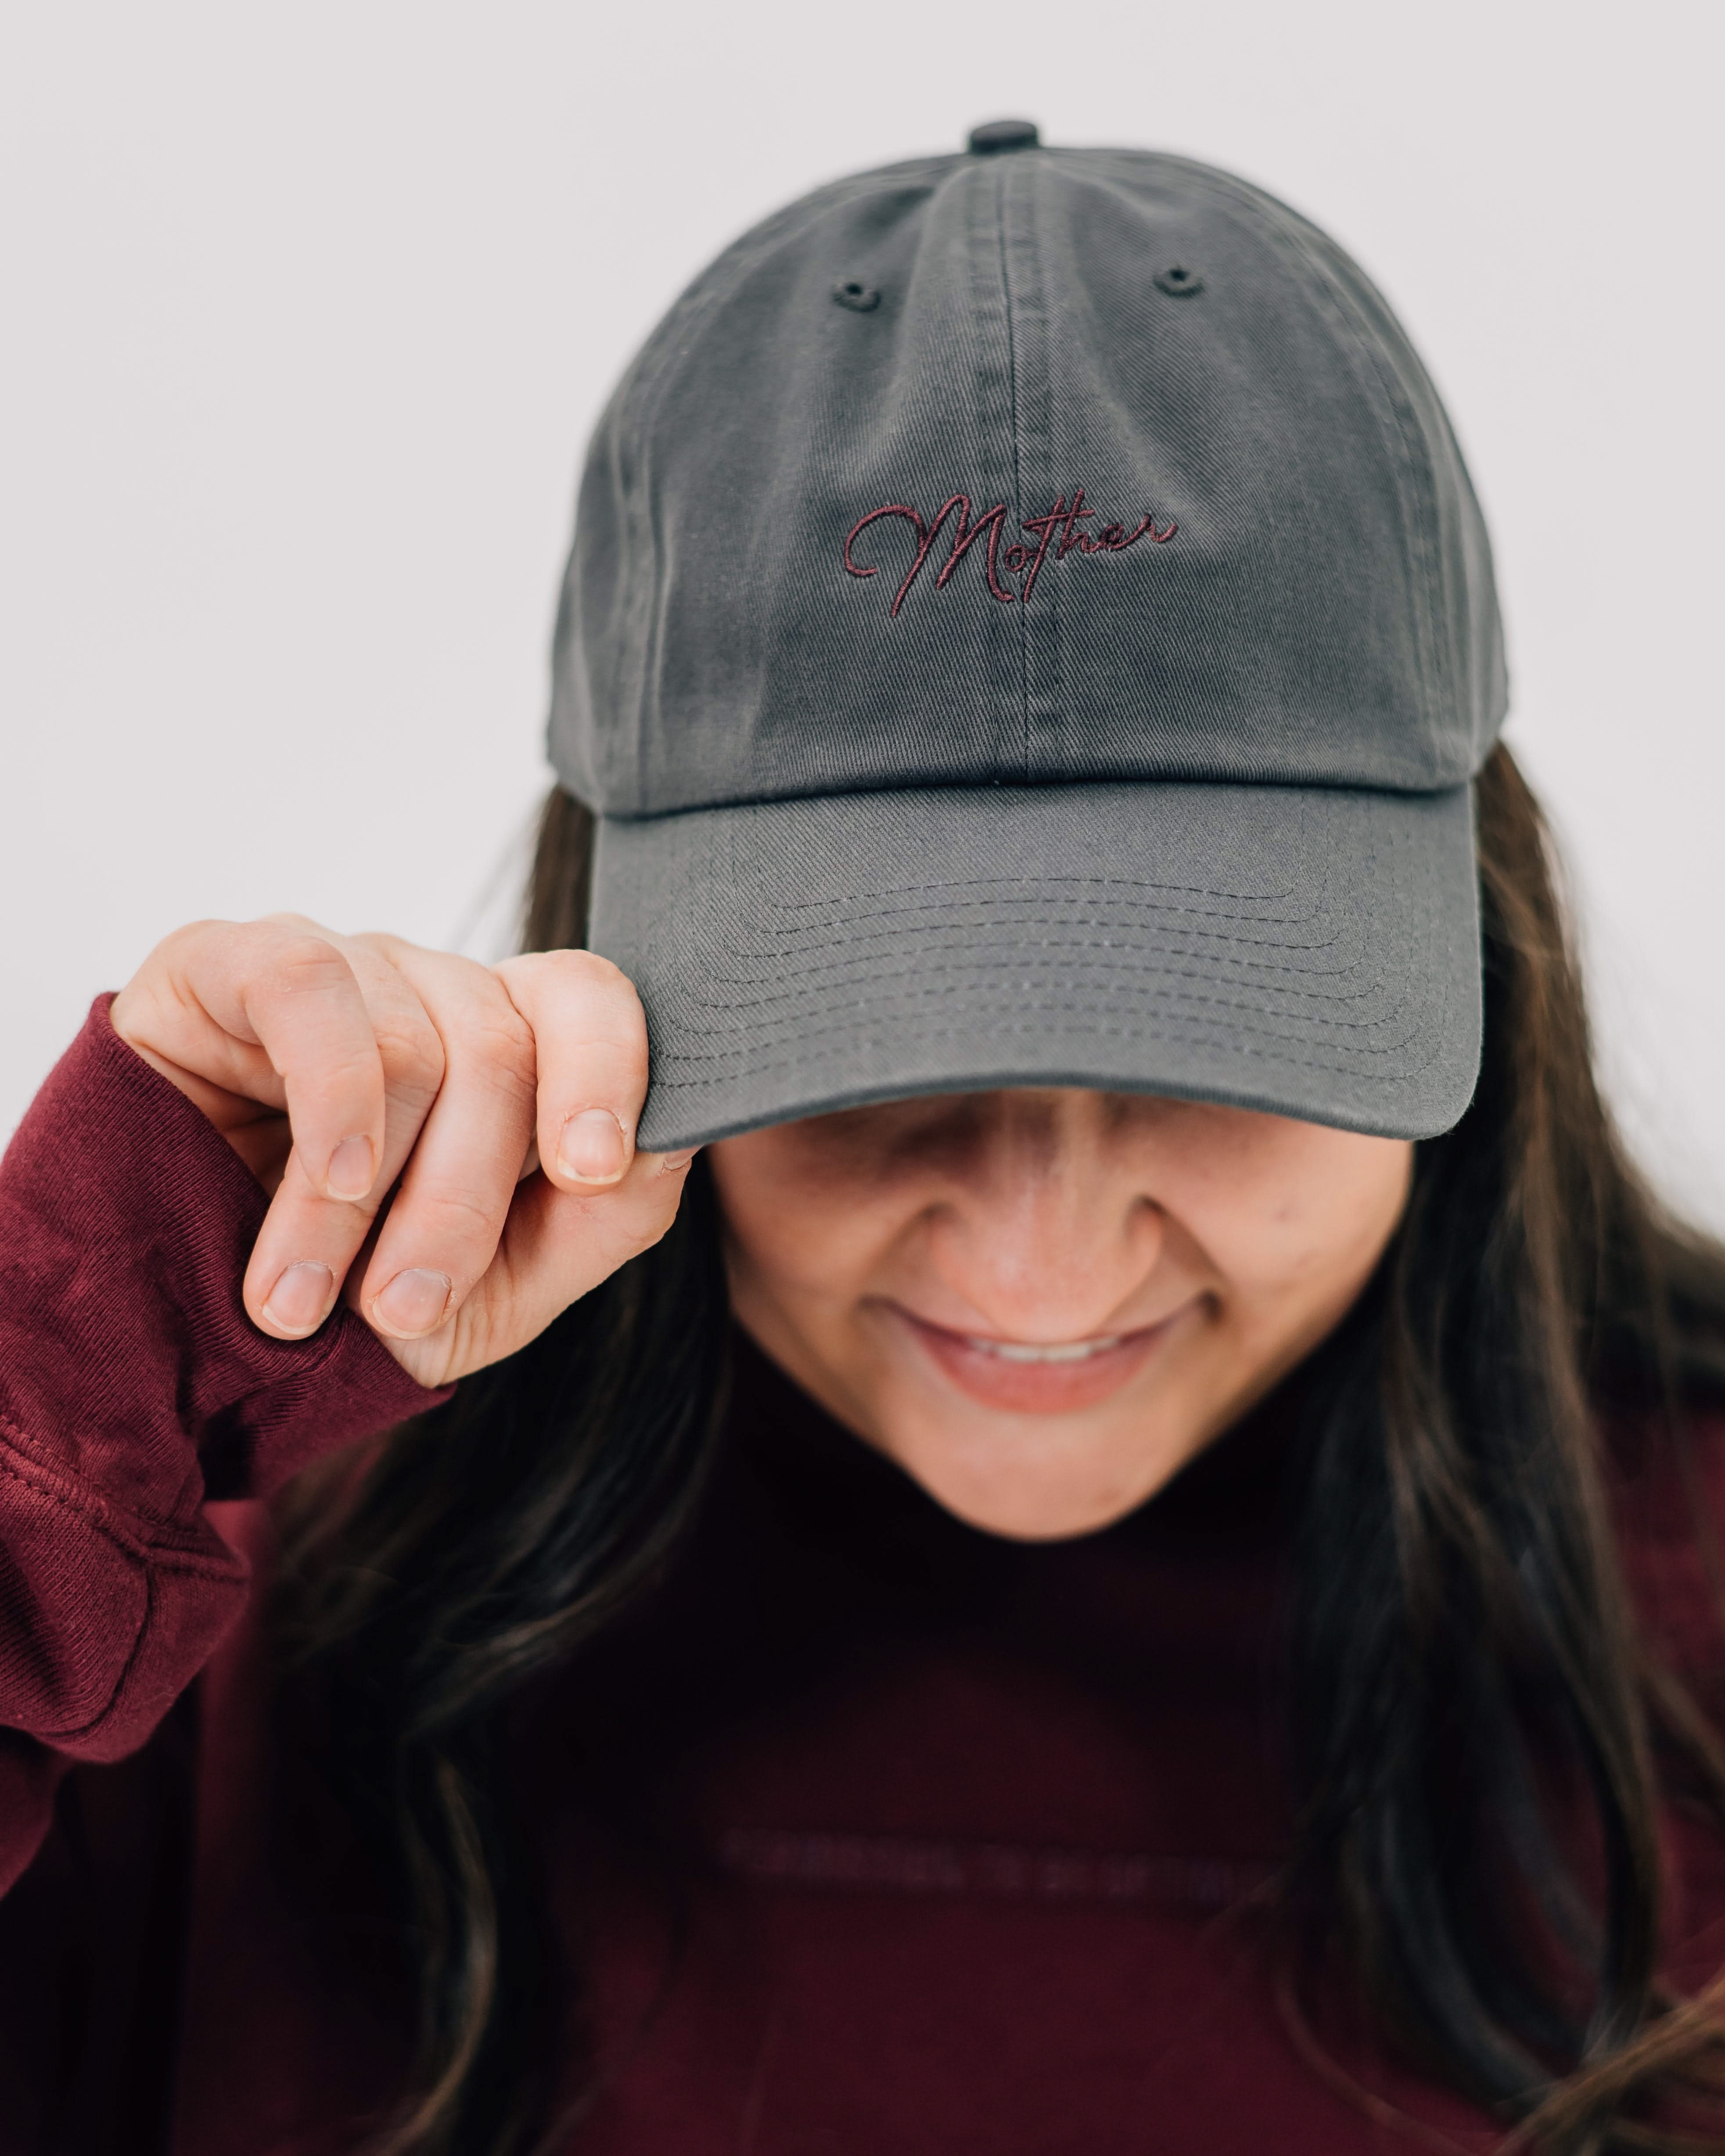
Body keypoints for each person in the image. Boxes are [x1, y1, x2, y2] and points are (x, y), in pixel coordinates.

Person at [4, 119, 1725, 2156]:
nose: (1036, 1260)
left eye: (1209, 1035)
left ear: (1476, 946)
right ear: (601, 954)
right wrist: (69, 1376)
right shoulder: (187, 1623)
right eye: (861, 1058)